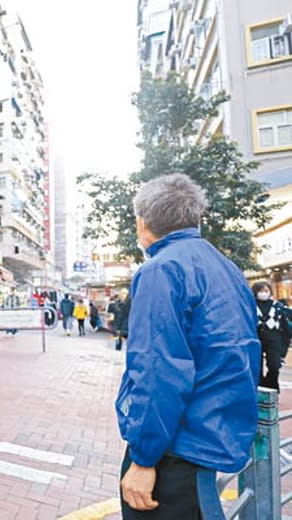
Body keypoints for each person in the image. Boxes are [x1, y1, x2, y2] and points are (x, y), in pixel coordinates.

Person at [116, 174, 260, 518]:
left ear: (142, 223)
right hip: (217, 435)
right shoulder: (226, 267)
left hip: (176, 448)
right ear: (196, 217)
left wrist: (144, 458)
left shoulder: (161, 270)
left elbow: (158, 371)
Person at [253, 281, 289, 392]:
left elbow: (285, 327)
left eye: (266, 290)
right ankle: (260, 389)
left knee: (274, 367)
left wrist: (284, 348)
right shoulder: (251, 306)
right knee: (256, 368)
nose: (264, 293)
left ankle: (270, 386)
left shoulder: (277, 306)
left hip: (274, 339)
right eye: (260, 291)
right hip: (256, 339)